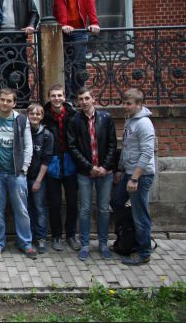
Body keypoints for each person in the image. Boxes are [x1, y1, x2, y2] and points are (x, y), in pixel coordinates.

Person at [66, 87, 117, 261]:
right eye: (80, 99)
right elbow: (72, 147)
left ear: (93, 99)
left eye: (87, 98)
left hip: (105, 172)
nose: (84, 102)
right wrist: (89, 167)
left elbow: (112, 144)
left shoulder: (106, 118)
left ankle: (103, 244)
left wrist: (105, 166)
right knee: (85, 209)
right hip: (85, 172)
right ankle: (85, 244)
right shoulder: (74, 120)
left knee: (103, 208)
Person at [0, 88, 35, 259]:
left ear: (14, 103)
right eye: (2, 100)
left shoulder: (21, 120)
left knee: (21, 210)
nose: (5, 103)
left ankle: (25, 243)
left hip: (16, 173)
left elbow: (28, 146)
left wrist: (24, 168)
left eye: (8, 101)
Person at [111, 89, 156, 266]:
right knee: (116, 201)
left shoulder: (144, 123)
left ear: (139, 104)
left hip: (141, 176)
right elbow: (127, 147)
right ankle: (131, 236)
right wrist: (121, 169)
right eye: (124, 103)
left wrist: (135, 178)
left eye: (129, 103)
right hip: (128, 172)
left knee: (140, 215)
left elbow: (147, 153)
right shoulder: (130, 120)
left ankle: (144, 252)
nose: (125, 106)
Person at [52, 0, 100, 99]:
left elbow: (90, 0)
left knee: (79, 65)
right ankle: (66, 97)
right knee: (63, 66)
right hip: (64, 29)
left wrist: (94, 22)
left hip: (80, 29)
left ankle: (78, 97)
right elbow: (59, 2)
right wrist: (63, 24)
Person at [42, 84, 80, 252]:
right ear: (49, 97)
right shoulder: (44, 116)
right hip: (53, 162)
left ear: (64, 97)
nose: (56, 99)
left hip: (71, 161)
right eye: (53, 96)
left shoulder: (73, 115)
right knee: (54, 203)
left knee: (72, 202)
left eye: (59, 95)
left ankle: (71, 235)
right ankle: (56, 235)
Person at [0, 0, 40, 106]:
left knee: (21, 67)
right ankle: (8, 100)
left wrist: (31, 26)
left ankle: (23, 99)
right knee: (5, 69)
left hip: (19, 36)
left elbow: (34, 13)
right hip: (2, 37)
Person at [25, 103, 53, 254]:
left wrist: (38, 181)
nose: (34, 116)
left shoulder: (47, 135)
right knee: (27, 209)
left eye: (38, 114)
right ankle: (28, 237)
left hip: (38, 178)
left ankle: (41, 238)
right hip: (23, 177)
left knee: (40, 208)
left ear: (42, 116)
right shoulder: (23, 132)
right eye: (32, 113)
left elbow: (46, 160)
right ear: (27, 115)